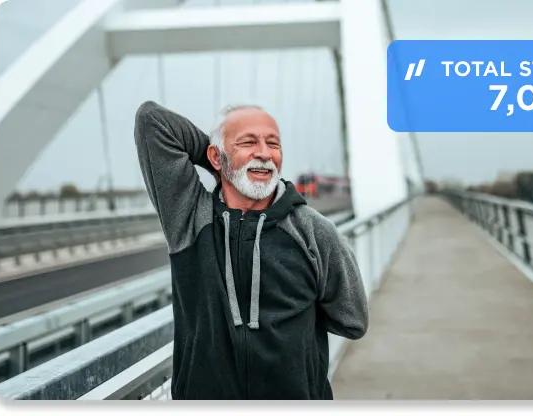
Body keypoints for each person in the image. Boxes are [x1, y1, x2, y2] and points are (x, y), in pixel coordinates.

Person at [133, 101, 368, 399]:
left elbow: (353, 320)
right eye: (248, 142)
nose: (264, 153)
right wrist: (223, 165)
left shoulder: (314, 231)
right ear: (216, 157)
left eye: (273, 144)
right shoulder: (190, 218)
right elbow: (152, 121)